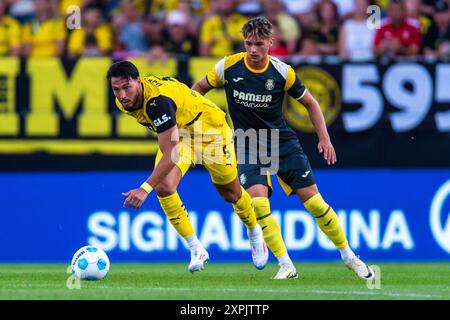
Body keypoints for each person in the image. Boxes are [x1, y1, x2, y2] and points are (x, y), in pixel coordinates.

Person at [192, 16, 374, 281]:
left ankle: (349, 256)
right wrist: (197, 120)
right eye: (248, 44)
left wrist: (324, 138)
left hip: (282, 143)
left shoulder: (282, 72)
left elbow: (311, 103)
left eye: (258, 44)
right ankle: (286, 264)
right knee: (257, 204)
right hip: (247, 143)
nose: (252, 50)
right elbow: (198, 89)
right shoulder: (228, 66)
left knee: (315, 203)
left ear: (270, 43)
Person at [107, 60, 268, 273]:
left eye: (127, 87)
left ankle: (254, 231)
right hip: (182, 136)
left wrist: (144, 189)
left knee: (231, 193)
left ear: (139, 81)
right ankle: (196, 248)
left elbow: (171, 154)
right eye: (116, 90)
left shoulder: (158, 103)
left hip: (211, 132)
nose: (122, 95)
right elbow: (171, 147)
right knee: (164, 186)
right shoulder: (124, 102)